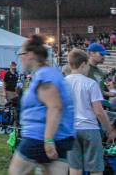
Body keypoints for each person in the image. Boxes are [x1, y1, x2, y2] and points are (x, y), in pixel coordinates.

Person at [9, 35, 75, 175]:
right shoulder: (49, 74)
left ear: (30, 55)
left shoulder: (45, 76)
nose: (20, 58)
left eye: (21, 54)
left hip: (39, 137)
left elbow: (55, 107)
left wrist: (48, 140)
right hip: (58, 137)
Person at [65, 48, 116, 175]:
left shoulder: (63, 83)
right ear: (83, 64)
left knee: (74, 168)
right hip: (90, 129)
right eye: (87, 64)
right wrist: (109, 130)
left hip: (71, 129)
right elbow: (99, 111)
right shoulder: (90, 83)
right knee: (95, 169)